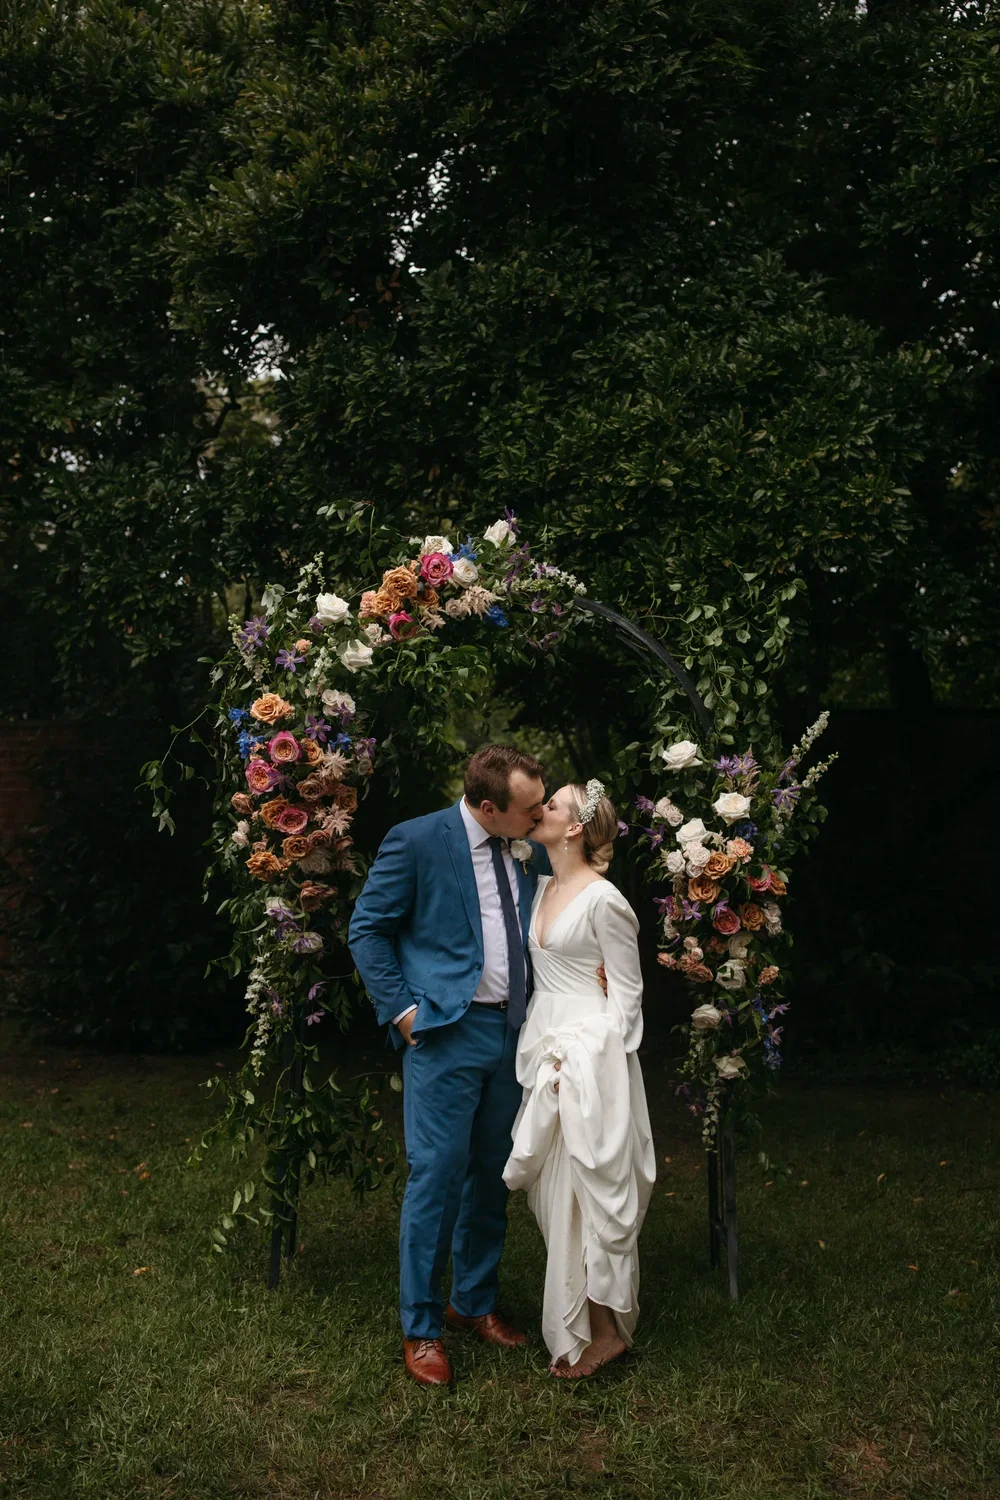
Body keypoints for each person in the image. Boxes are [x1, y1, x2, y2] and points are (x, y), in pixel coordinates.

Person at [348, 744, 553, 1387]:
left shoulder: (528, 843)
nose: (541, 817)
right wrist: (403, 1013)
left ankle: (474, 1301)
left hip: (513, 1030)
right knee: (436, 1178)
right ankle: (422, 1326)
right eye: (529, 808)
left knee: (493, 1173)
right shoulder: (417, 841)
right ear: (488, 808)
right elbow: (367, 929)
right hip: (444, 1030)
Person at [503, 779, 655, 1378]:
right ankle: (577, 1315)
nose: (540, 810)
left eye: (554, 805)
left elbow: (627, 1001)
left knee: (591, 1192)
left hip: (589, 1060)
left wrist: (588, 1063)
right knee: (552, 1197)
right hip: (543, 1045)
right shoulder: (537, 888)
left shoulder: (605, 901)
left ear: (574, 829)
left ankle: (603, 1331)